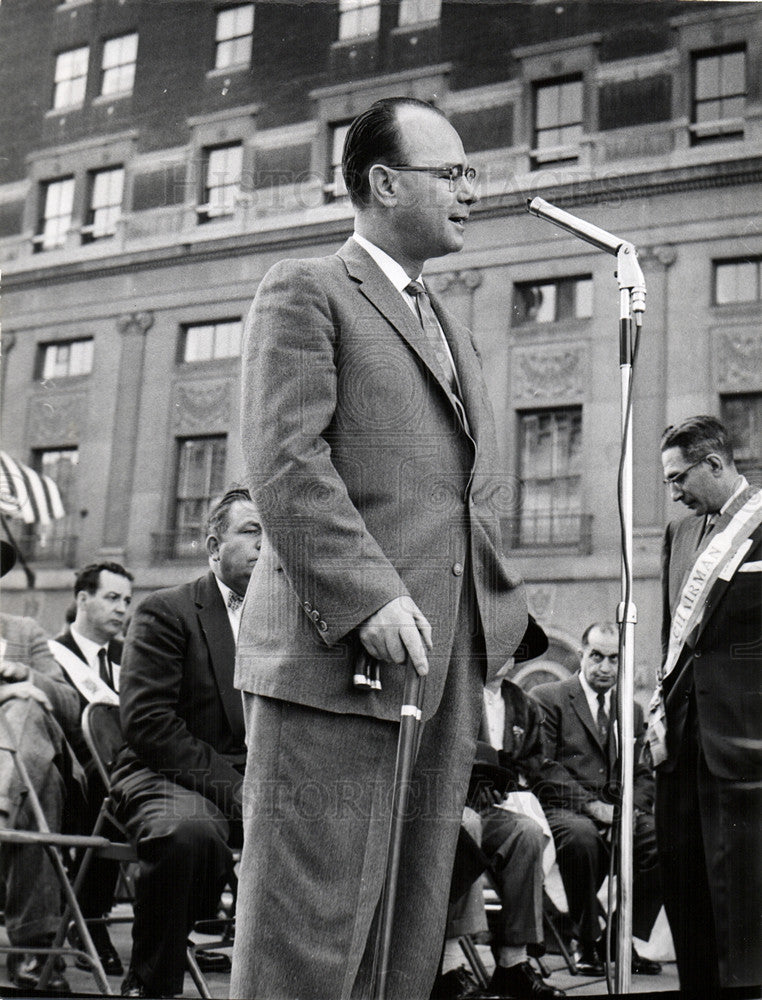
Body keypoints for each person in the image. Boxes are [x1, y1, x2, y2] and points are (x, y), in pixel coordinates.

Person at [231, 96, 528, 1000]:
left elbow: (460, 500)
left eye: (469, 173)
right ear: (384, 182)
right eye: (453, 173)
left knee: (403, 932)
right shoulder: (306, 289)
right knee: (307, 938)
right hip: (336, 665)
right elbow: (285, 460)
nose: (471, 190)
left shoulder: (454, 327)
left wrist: (494, 633)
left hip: (438, 672)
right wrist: (367, 595)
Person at [111, 487, 260, 998]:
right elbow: (149, 724)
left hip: (256, 783)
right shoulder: (166, 610)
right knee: (189, 831)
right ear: (214, 546)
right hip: (166, 774)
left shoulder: (293, 625)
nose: (266, 545)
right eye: (252, 531)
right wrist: (237, 792)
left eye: (275, 534)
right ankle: (152, 984)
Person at [648, 415, 762, 995]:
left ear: (714, 464)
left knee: (743, 907)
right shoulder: (679, 534)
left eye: (678, 477)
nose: (672, 492)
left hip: (746, 746)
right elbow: (672, 632)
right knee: (687, 887)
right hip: (682, 742)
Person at [438, 625, 566, 1000]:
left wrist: (514, 778)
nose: (504, 658)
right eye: (495, 648)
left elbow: (533, 758)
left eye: (513, 651)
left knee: (526, 831)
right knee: (468, 824)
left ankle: (512, 962)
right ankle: (448, 966)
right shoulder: (454, 692)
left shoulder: (521, 703)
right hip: (444, 803)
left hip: (494, 801)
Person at [531, 623, 662, 978]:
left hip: (618, 811)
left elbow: (643, 773)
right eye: (597, 657)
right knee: (582, 838)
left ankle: (620, 938)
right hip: (565, 809)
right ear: (582, 655)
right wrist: (593, 808)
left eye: (614, 659)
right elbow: (543, 767)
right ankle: (586, 942)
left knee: (662, 840)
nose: (605, 667)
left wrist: (632, 810)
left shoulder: (630, 710)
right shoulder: (549, 697)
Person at [0, 539, 82, 992]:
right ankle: (35, 948)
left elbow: (70, 705)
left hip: (26, 759)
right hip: (30, 780)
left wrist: (24, 679)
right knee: (42, 786)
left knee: (31, 714)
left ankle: (2, 811)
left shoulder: (24, 632)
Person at [50, 560, 134, 976]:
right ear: (83, 599)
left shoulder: (131, 659)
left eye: (127, 601)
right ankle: (90, 918)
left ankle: (177, 926)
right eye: (112, 597)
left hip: (126, 772)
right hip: (73, 778)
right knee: (114, 796)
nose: (122, 609)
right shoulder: (53, 655)